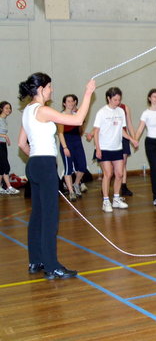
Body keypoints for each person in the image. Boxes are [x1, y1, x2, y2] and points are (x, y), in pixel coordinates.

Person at [18, 72, 95, 279]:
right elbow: (78, 119)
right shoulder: (42, 110)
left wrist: (37, 159)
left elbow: (21, 143)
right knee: (50, 217)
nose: (52, 90)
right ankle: (52, 266)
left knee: (37, 216)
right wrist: (88, 94)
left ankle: (36, 261)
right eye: (50, 86)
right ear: (41, 89)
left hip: (34, 164)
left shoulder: (27, 111)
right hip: (44, 164)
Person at [93, 87, 138, 212]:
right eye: (115, 100)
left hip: (117, 147)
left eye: (119, 100)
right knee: (108, 174)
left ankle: (116, 199)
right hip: (105, 148)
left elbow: (121, 130)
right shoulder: (102, 112)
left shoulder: (121, 112)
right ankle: (106, 201)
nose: (117, 102)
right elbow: (96, 131)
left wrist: (131, 139)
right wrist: (98, 148)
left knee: (119, 174)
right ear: (108, 98)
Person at [57, 94, 88, 202]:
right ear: (64, 103)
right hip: (66, 143)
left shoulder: (77, 115)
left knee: (83, 166)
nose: (70, 103)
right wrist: (65, 147)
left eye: (72, 101)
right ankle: (71, 192)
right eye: (68, 101)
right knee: (68, 169)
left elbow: (81, 126)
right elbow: (60, 133)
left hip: (77, 143)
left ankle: (76, 184)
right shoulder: (61, 116)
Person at [0, 101, 20, 195]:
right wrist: (5, 136)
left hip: (2, 145)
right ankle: (9, 187)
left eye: (9, 108)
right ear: (1, 109)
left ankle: (1, 187)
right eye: (6, 108)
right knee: (5, 166)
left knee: (2, 167)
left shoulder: (4, 120)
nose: (8, 110)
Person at [119, 102, 135, 196]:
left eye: (119, 99)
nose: (117, 101)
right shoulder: (106, 110)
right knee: (111, 165)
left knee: (123, 163)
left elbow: (129, 124)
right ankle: (106, 186)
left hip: (124, 137)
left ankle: (123, 186)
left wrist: (134, 138)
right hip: (112, 138)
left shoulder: (125, 107)